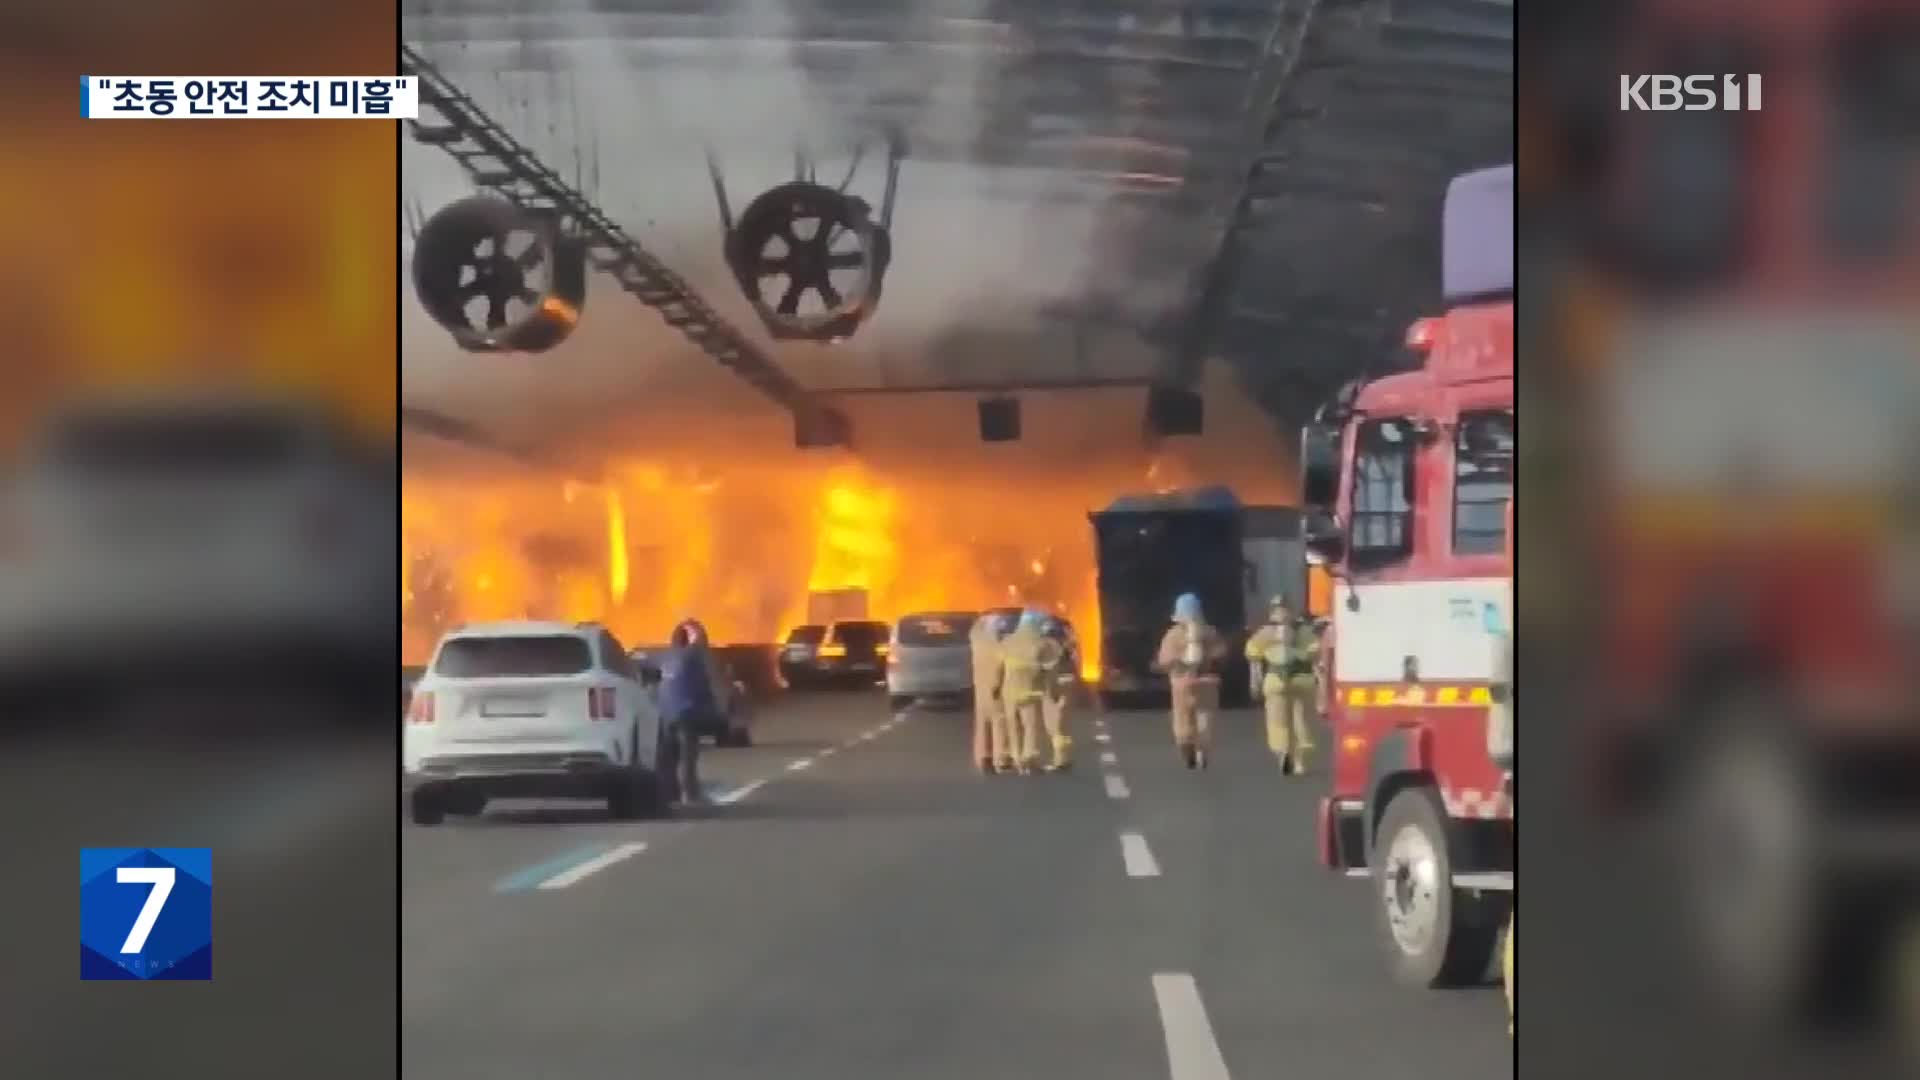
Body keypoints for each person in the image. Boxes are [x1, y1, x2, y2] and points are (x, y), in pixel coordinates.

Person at [1245, 595, 1321, 775]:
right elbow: (1315, 653)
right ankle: (1300, 759)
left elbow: (1253, 655)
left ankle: (1284, 752)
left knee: (1277, 720)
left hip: (1275, 678)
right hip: (1301, 678)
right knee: (1302, 719)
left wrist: (1255, 679)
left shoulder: (1265, 633)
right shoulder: (1304, 631)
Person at [1154, 593, 1227, 769]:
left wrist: (1176, 663)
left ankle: (1188, 748)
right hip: (1205, 685)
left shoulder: (1172, 635)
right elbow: (1221, 653)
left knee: (1183, 722)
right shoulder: (1210, 633)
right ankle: (1201, 749)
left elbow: (1165, 660)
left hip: (1182, 685)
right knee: (1205, 720)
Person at [657, 620, 715, 804]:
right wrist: (695, 625)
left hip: (667, 714)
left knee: (670, 759)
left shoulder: (666, 658)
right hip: (686, 712)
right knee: (688, 756)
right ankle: (691, 795)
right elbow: (702, 642)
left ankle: (670, 794)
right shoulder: (691, 655)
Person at [997, 608, 1061, 775]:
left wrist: (995, 687)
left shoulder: (1008, 640)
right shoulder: (1042, 643)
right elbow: (1050, 670)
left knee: (1012, 726)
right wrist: (1054, 692)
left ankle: (1015, 758)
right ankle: (1028, 760)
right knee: (1030, 726)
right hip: (1030, 691)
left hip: (1009, 691)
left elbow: (1000, 667)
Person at [968, 611, 1014, 773]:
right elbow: (1000, 668)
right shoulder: (999, 647)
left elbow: (974, 632)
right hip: (996, 689)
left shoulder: (977, 645)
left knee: (982, 724)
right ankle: (1002, 758)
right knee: (1000, 722)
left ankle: (984, 756)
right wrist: (997, 686)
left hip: (980, 690)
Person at [1038, 613, 1077, 772]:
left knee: (1053, 724)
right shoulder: (1069, 643)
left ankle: (1060, 759)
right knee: (1061, 722)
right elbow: (1075, 661)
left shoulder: (1048, 645)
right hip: (1067, 680)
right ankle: (1064, 757)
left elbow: (1044, 665)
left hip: (1053, 682)